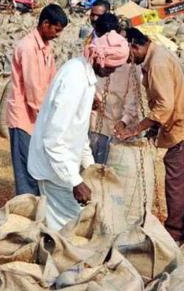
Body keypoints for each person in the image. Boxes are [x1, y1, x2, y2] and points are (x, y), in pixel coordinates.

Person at [28, 31, 129, 231]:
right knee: (70, 226)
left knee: (71, 223)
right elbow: (54, 139)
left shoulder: (84, 74)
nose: (113, 72)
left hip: (64, 165)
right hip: (54, 166)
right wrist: (76, 182)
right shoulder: (74, 80)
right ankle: (63, 259)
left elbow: (78, 131)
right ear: (102, 60)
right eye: (113, 67)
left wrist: (90, 167)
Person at [116, 28, 184, 244]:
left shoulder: (158, 63)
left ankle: (176, 234)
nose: (127, 60)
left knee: (177, 181)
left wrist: (136, 129)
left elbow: (164, 105)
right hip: (183, 121)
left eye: (128, 54)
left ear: (135, 46)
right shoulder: (156, 56)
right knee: (183, 179)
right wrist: (154, 128)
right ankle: (183, 229)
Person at [7, 4, 68, 196]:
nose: (57, 35)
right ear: (45, 23)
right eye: (55, 30)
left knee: (37, 164)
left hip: (39, 116)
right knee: (26, 168)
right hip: (24, 117)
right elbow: (32, 87)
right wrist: (46, 115)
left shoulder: (46, 47)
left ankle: (36, 205)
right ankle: (27, 210)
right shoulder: (28, 48)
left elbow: (51, 79)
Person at [89, 13, 140, 164]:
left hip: (121, 125)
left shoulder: (129, 61)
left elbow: (133, 99)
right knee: (95, 167)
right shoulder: (95, 54)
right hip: (97, 122)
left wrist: (124, 121)